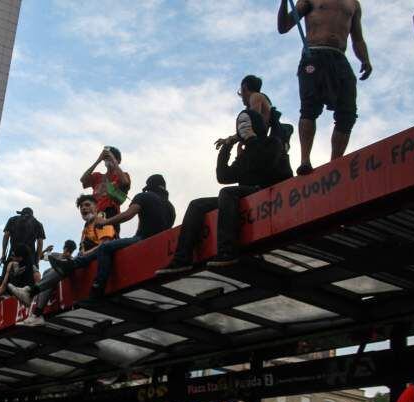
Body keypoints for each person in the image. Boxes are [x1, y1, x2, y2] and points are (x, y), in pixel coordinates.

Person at [157, 110, 292, 274]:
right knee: (197, 205)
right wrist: (226, 148)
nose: (243, 127)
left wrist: (252, 139)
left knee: (227, 193)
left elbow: (266, 164)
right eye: (240, 124)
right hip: (246, 196)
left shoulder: (273, 143)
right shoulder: (245, 153)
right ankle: (182, 259)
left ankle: (227, 251)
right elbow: (224, 176)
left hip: (269, 190)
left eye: (246, 123)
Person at [277, 0, 372, 175]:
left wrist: (365, 59)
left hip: (339, 57)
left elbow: (357, 38)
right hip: (314, 53)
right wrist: (283, 3)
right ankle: (305, 160)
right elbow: (284, 26)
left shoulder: (354, 4)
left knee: (348, 113)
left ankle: (335, 163)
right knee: (309, 108)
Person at [52, 175, 175, 298]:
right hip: (158, 249)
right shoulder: (171, 208)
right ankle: (72, 265)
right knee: (105, 248)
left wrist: (105, 222)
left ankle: (97, 290)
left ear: (148, 187)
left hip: (142, 239)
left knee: (105, 247)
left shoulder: (144, 196)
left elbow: (128, 215)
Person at [8, 195, 114, 324]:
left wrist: (82, 256)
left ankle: (31, 293)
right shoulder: (86, 228)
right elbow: (82, 252)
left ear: (96, 207)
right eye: (81, 207)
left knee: (59, 268)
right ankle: (37, 314)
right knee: (48, 272)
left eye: (87, 205)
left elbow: (106, 244)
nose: (84, 208)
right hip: (87, 262)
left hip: (102, 262)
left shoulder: (101, 220)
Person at [80, 146, 132, 235]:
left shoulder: (122, 175)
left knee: (108, 241)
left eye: (111, 158)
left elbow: (125, 182)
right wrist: (98, 160)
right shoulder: (98, 177)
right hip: (94, 215)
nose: (108, 160)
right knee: (89, 242)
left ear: (118, 161)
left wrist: (114, 162)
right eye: (107, 158)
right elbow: (83, 180)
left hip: (110, 213)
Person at [2, 207, 45, 283]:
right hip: (29, 259)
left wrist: (3, 254)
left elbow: (6, 236)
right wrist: (37, 260)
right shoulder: (38, 224)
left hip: (13, 255)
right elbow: (40, 243)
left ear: (21, 214)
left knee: (7, 280)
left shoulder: (12, 220)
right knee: (28, 283)